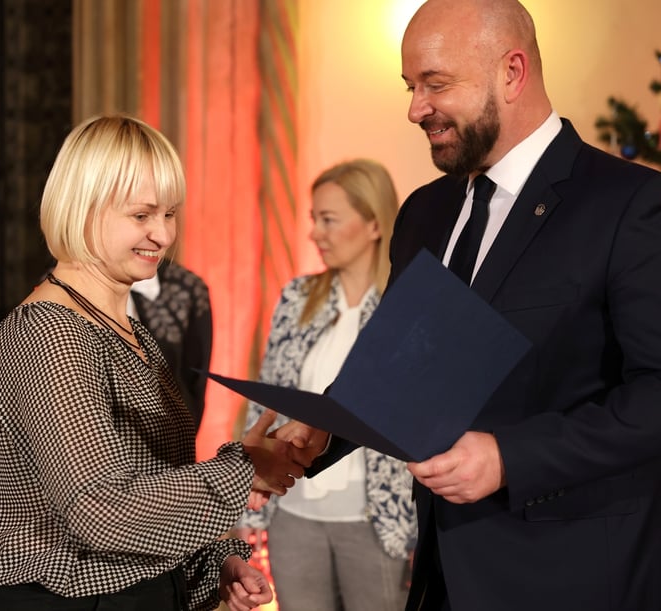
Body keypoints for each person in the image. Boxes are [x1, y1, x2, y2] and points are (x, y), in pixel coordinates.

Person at [272, 1, 661, 610]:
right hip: (440, 577)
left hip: (573, 579)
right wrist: (329, 427)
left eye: (436, 84)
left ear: (512, 72)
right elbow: (405, 371)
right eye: (410, 86)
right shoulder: (423, 213)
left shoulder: (631, 204)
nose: (415, 108)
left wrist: (510, 459)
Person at [0, 114, 309, 611]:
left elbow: (143, 484)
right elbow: (98, 509)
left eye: (169, 214)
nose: (164, 234)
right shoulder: (50, 331)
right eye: (142, 215)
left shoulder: (126, 330)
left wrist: (212, 561)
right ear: (84, 209)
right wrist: (243, 470)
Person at [236, 160, 417, 611]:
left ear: (374, 224)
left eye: (329, 219)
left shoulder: (406, 308)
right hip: (294, 518)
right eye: (313, 219)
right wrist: (248, 491)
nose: (315, 232)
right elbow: (266, 400)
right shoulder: (297, 298)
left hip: (378, 523)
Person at [128, 259, 212, 431]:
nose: (164, 243)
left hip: (163, 439)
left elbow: (193, 388)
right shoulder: (70, 293)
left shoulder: (186, 288)